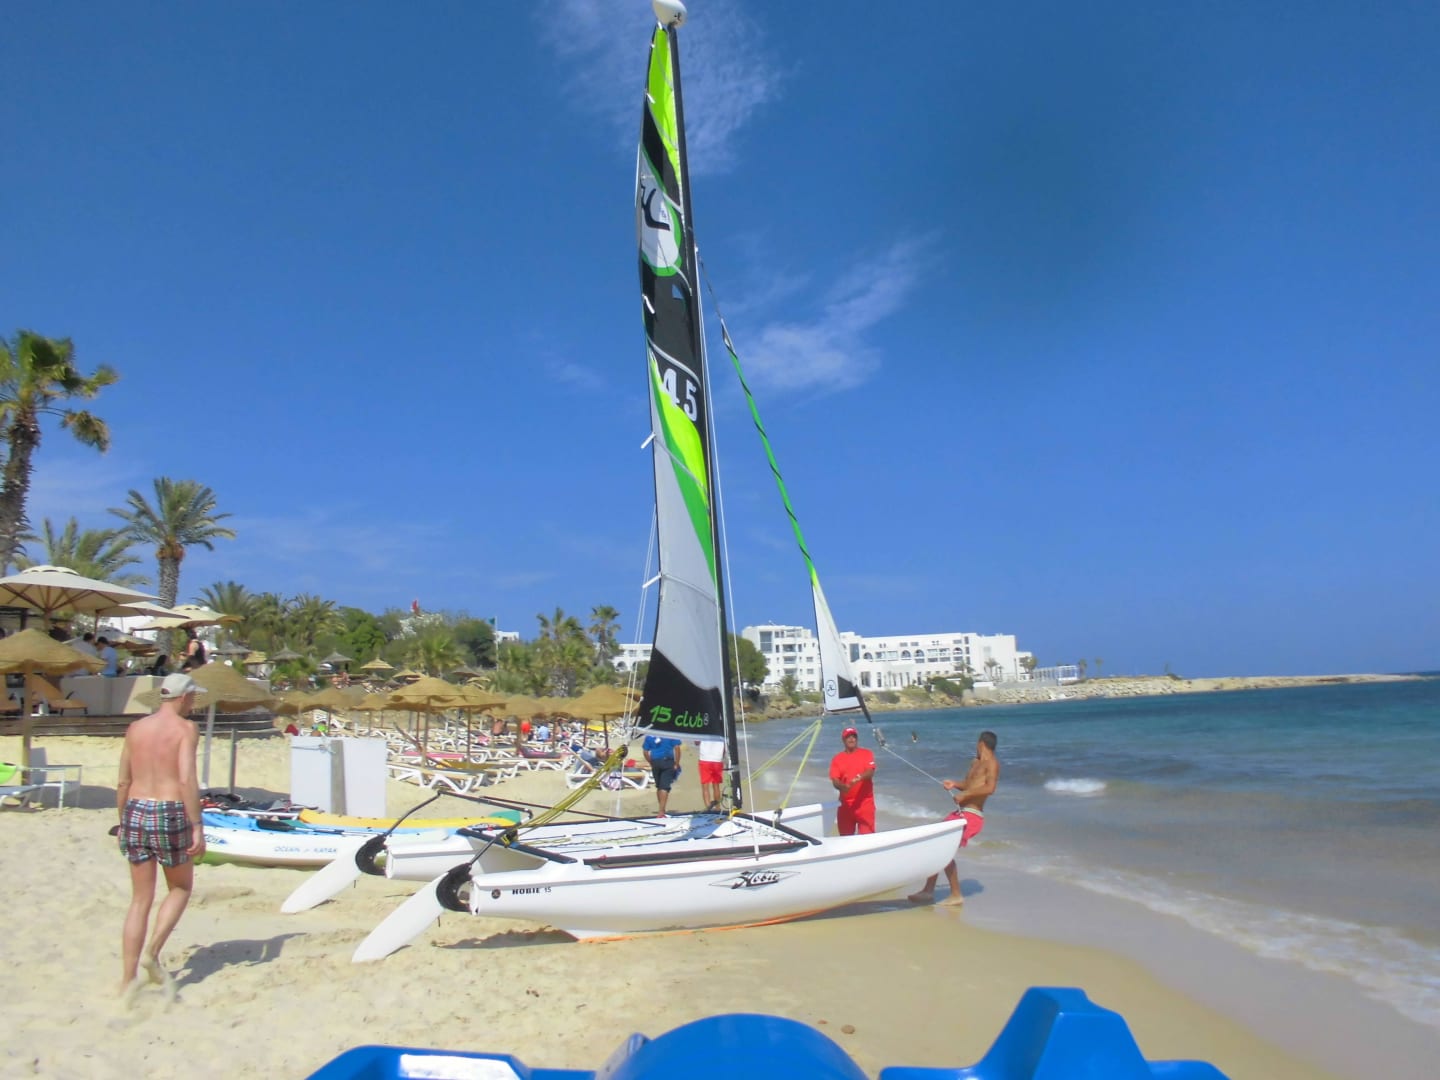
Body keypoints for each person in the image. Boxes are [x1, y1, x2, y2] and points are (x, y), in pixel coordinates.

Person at [116, 672, 207, 1004]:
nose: (194, 703)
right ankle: (152, 953)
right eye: (193, 697)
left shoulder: (136, 728)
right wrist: (196, 824)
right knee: (180, 888)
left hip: (136, 809)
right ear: (182, 697)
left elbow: (123, 781)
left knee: (139, 900)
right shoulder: (186, 729)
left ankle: (127, 980)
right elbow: (186, 779)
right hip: (169, 810)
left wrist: (123, 821)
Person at [909, 730, 1000, 906]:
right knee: (936, 844)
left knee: (944, 848)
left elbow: (990, 788)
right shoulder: (975, 762)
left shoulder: (992, 764)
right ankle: (928, 891)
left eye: (977, 744)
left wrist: (966, 795)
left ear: (981, 744)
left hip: (973, 815)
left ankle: (956, 894)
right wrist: (955, 784)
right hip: (961, 812)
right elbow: (969, 785)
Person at [828, 726, 877, 834]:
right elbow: (835, 780)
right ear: (843, 740)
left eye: (854, 736)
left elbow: (870, 772)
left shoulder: (866, 753)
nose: (851, 739)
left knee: (867, 838)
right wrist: (842, 787)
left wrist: (858, 779)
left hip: (864, 804)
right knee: (845, 838)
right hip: (845, 805)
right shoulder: (837, 759)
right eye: (848, 737)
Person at [642, 733, 682, 817]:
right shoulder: (669, 734)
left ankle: (661, 809)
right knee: (664, 787)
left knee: (659, 786)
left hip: (655, 762)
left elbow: (645, 752)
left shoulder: (650, 736)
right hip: (667, 761)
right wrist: (677, 763)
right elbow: (677, 748)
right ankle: (661, 812)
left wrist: (651, 762)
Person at [696, 738, 725, 811]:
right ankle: (718, 808)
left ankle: (708, 808)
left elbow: (697, 742)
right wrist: (722, 756)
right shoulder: (720, 730)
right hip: (717, 758)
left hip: (705, 758)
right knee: (716, 786)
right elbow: (725, 745)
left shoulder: (703, 730)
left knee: (705, 786)